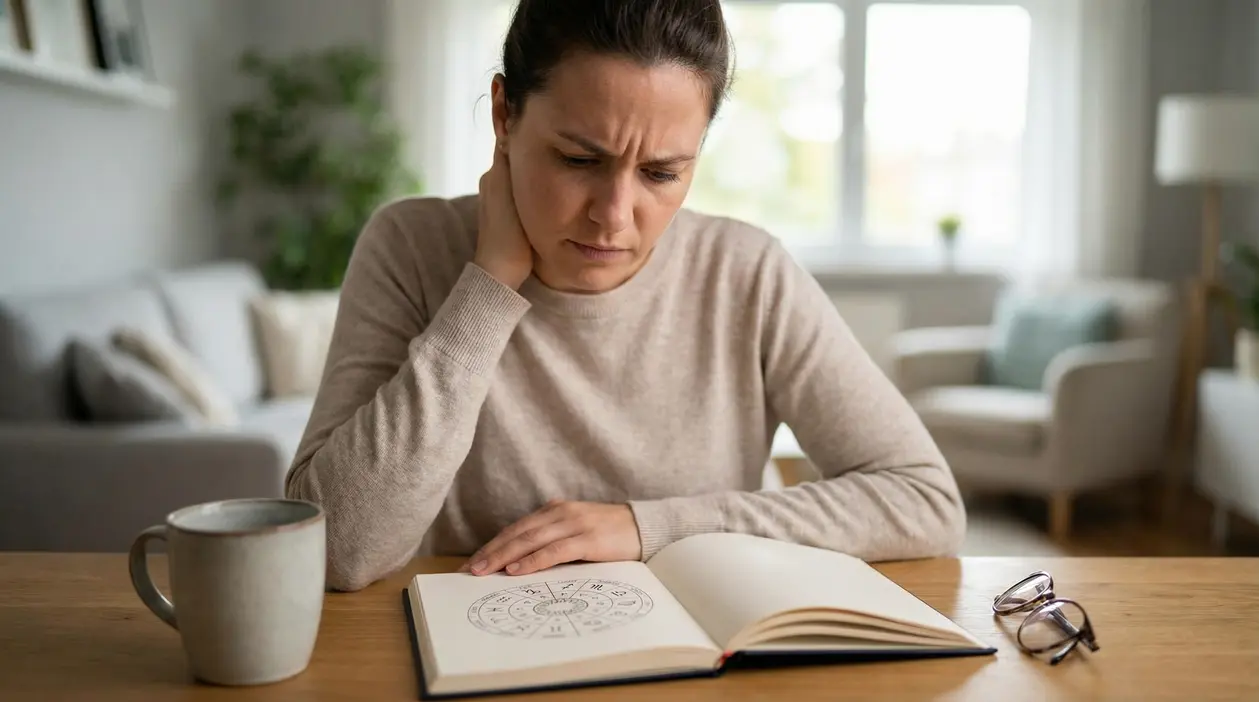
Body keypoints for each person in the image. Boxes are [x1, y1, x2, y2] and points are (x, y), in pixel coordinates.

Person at [286, 0, 966, 592]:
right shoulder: (410, 246)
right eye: (579, 160)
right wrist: (488, 286)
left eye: (661, 173)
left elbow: (923, 500)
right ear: (503, 114)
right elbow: (339, 548)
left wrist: (652, 527)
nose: (614, 215)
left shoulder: (745, 271)